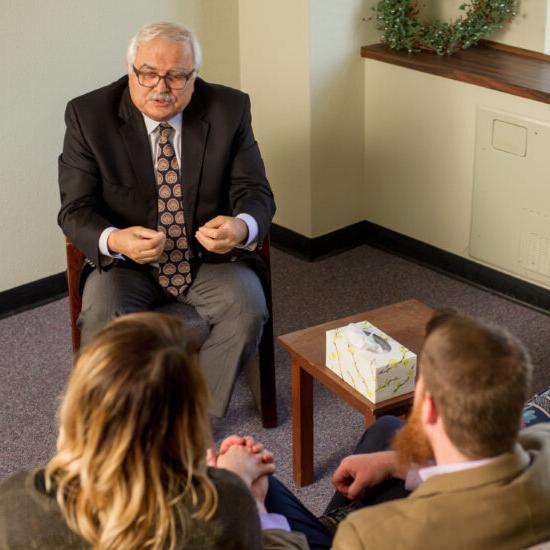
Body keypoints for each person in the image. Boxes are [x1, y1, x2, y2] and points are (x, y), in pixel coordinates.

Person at [57, 21, 275, 417]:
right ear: (131, 72)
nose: (161, 87)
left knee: (248, 310)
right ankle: (120, 424)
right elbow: (75, 209)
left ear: (194, 78)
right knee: (101, 319)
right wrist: (116, 240)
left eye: (177, 76)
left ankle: (194, 420)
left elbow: (256, 192)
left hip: (206, 259)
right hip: (125, 265)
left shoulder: (230, 109)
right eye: (149, 74)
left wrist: (241, 226)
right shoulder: (89, 116)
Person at [231, 311, 550, 549]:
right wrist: (396, 463)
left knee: (254, 485)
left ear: (429, 409)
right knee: (387, 428)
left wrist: (250, 505)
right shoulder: (543, 442)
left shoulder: (370, 536)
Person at [0, 312, 306, 549]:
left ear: (77, 402)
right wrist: (249, 497)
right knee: (272, 488)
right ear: (189, 423)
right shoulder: (222, 505)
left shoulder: (16, 503)